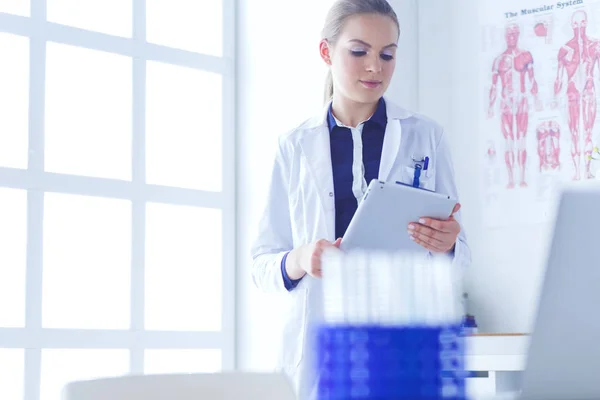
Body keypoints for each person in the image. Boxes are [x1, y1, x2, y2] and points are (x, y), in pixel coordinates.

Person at [250, 0, 471, 398]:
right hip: (322, 341)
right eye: (359, 52)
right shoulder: (294, 146)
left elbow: (462, 256)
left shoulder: (425, 136)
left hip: (401, 332)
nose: (376, 67)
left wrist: (448, 244)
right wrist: (300, 259)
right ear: (326, 53)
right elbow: (262, 265)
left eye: (388, 55)